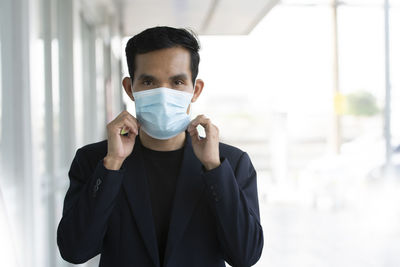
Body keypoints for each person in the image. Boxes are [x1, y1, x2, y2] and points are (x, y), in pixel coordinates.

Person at [57, 26, 263, 267]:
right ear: (129, 88)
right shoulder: (95, 160)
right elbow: (74, 250)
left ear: (195, 90)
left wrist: (213, 168)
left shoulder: (231, 163)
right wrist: (112, 165)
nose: (163, 94)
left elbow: (245, 255)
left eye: (177, 81)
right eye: (148, 81)